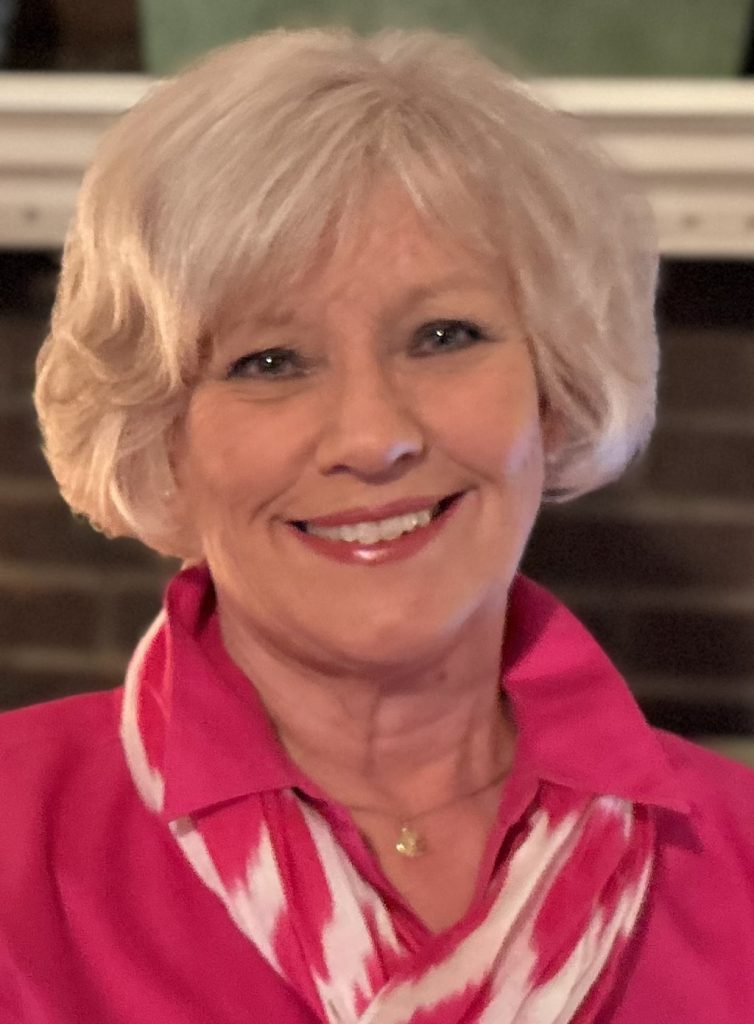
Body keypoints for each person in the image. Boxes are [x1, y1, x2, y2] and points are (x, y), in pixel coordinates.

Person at [2, 27, 753, 1024]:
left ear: (554, 389)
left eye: (444, 336)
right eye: (269, 361)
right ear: (162, 437)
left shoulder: (737, 854)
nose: (372, 436)